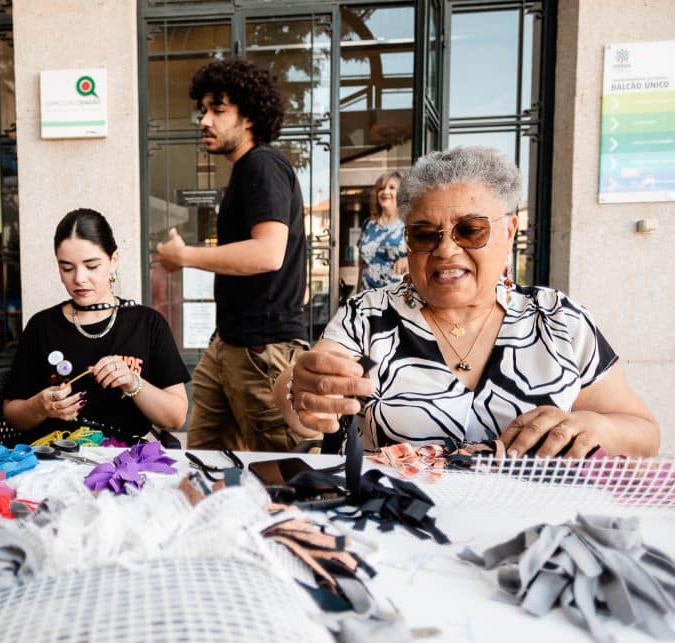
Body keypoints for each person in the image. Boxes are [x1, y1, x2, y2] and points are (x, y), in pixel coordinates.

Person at [275, 146, 659, 458]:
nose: (445, 249)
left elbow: (642, 430)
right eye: (425, 234)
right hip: (391, 519)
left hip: (536, 521)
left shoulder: (559, 320)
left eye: (470, 230)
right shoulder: (368, 316)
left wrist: (596, 427)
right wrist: (301, 392)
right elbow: (304, 384)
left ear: (510, 231)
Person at [156, 56, 308, 452]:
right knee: (204, 461)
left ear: (249, 117)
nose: (204, 120)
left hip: (263, 350)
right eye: (202, 110)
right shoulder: (245, 171)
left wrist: (185, 256)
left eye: (218, 110)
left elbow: (268, 253)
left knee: (279, 470)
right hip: (229, 343)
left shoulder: (262, 164)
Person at [3, 208, 188, 442]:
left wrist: (133, 382)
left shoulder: (147, 324)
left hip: (123, 457)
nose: (79, 278)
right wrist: (38, 407)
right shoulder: (42, 326)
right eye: (67, 268)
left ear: (114, 260)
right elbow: (13, 415)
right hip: (55, 454)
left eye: (91, 266)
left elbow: (176, 417)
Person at [357, 171, 407, 291]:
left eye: (392, 188)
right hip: (367, 295)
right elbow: (362, 264)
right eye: (381, 188)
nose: (385, 192)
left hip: (395, 295)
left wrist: (408, 260)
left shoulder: (408, 225)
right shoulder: (368, 224)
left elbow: (423, 258)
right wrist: (357, 293)